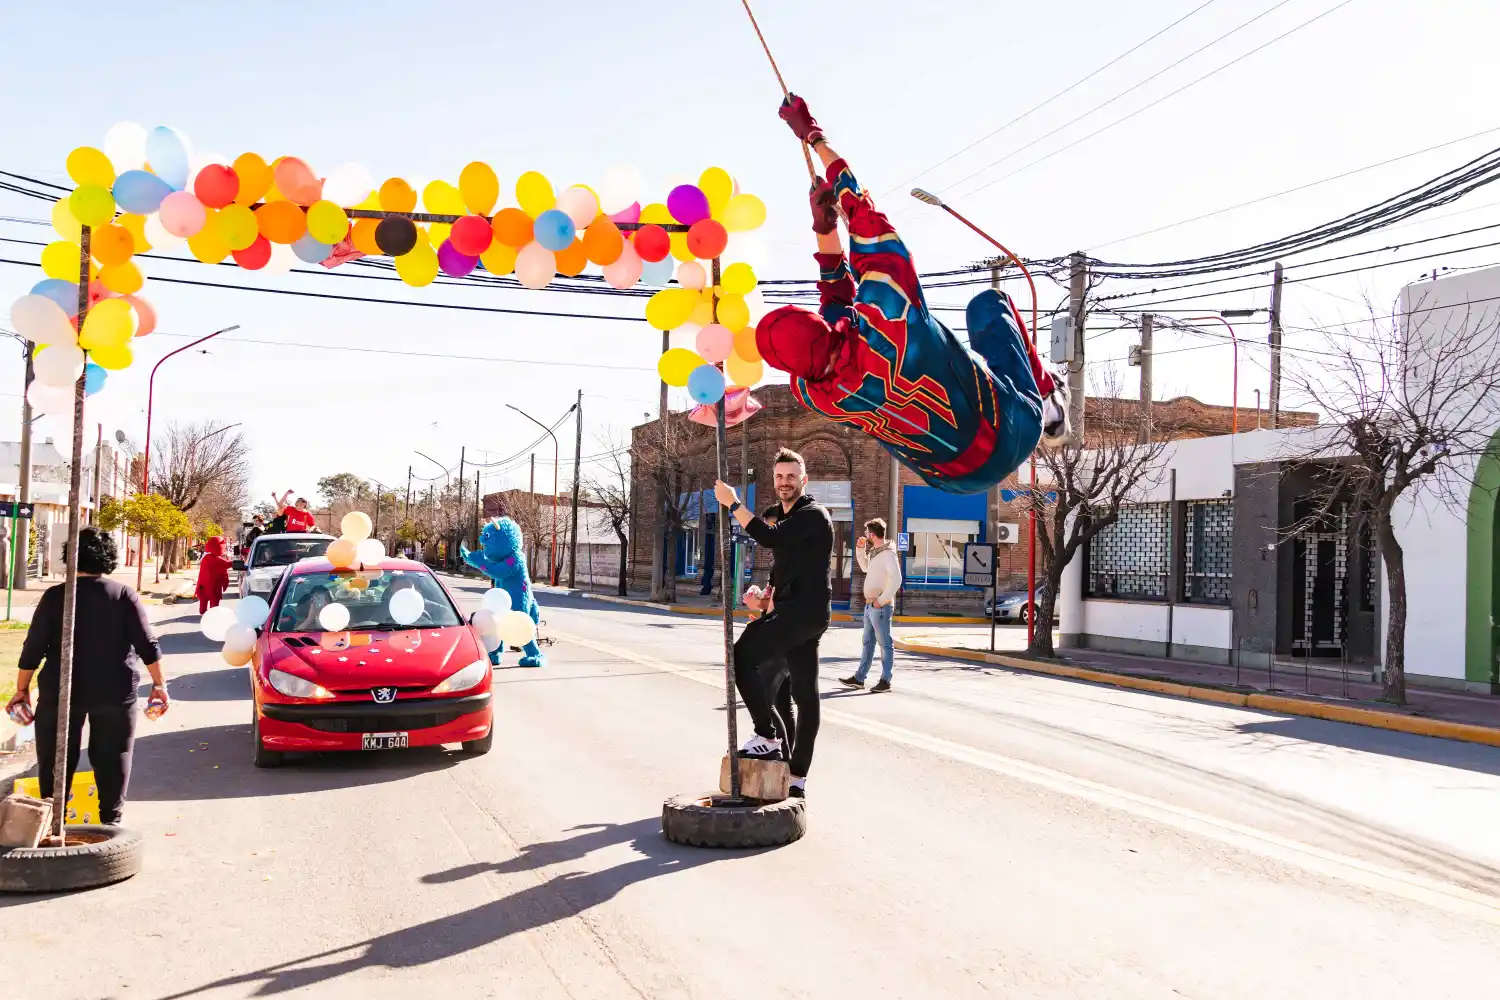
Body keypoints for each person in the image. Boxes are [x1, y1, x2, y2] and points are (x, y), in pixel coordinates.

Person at [755, 95, 1070, 496]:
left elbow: (835, 302)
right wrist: (814, 137)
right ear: (821, 328)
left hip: (953, 481)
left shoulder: (816, 395)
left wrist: (825, 228)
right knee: (988, 306)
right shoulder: (890, 315)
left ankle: (1042, 402)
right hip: (1011, 430)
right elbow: (864, 214)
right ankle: (1048, 400)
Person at [6, 527, 167, 827]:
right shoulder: (123, 595)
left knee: (55, 755)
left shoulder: (56, 596)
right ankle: (111, 820)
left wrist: (22, 689)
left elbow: (33, 648)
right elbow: (148, 645)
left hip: (61, 689)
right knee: (114, 753)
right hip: (115, 690)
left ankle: (52, 818)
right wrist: (159, 685)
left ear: (71, 556)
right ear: (110, 558)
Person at [714, 448, 833, 800]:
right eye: (779, 476)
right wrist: (767, 598)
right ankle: (797, 778)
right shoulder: (787, 517)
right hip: (799, 612)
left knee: (741, 655)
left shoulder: (813, 514)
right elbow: (788, 566)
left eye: (791, 476)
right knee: (805, 697)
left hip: (803, 613)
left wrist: (734, 503)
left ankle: (767, 736)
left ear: (804, 480)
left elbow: (770, 538)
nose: (785, 482)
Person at [843, 518, 903, 692]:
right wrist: (860, 550)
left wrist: (881, 600)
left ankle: (885, 681)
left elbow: (897, 579)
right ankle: (859, 679)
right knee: (868, 642)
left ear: (873, 535)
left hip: (880, 606)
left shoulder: (888, 554)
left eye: (867, 533)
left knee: (885, 643)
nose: (865, 535)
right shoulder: (876, 552)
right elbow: (865, 568)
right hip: (870, 605)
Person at [195, 536, 232, 615]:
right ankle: (212, 614)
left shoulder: (206, 558)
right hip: (214, 587)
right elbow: (229, 564)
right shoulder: (218, 559)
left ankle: (203, 613)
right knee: (214, 602)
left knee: (203, 602)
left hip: (203, 586)